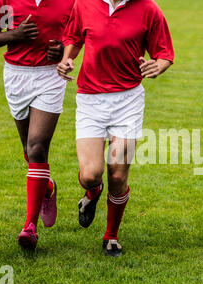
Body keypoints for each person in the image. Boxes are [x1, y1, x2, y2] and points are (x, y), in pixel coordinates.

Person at [57, 0, 174, 257]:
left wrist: (159, 66)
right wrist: (66, 59)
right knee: (90, 174)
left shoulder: (149, 8)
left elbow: (164, 53)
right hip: (90, 99)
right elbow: (73, 38)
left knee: (118, 176)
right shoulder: (84, 4)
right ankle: (92, 191)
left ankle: (111, 236)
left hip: (128, 100)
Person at [0, 0, 75, 249]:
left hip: (50, 76)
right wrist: (15, 34)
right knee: (28, 148)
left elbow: (77, 36)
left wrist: (62, 51)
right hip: (16, 76)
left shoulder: (71, 2)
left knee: (37, 147)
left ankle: (30, 227)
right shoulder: (5, 2)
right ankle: (47, 186)